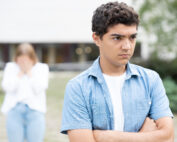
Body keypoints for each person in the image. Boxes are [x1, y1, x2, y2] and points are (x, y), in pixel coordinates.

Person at [61, 1, 174, 142]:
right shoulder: (78, 87)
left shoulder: (151, 80)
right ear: (97, 39)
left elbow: (168, 137)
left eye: (132, 37)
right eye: (117, 38)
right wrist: (144, 136)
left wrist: (108, 137)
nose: (127, 46)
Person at [1, 43, 49, 142]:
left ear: (32, 59)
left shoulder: (42, 68)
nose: (23, 63)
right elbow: (8, 87)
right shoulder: (11, 67)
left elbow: (39, 88)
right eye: (21, 60)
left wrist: (29, 73)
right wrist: (20, 73)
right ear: (16, 58)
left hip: (35, 111)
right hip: (14, 111)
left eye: (26, 60)